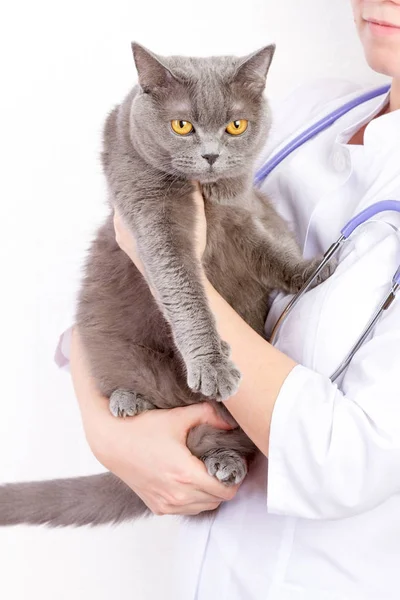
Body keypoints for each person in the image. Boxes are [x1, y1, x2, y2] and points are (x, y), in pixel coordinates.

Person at [69, 1, 400, 598]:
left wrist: (157, 252)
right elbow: (111, 295)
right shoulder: (305, 111)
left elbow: (341, 463)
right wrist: (109, 432)